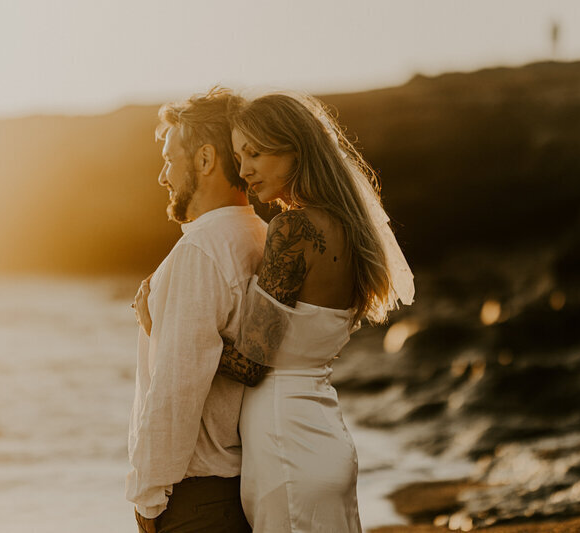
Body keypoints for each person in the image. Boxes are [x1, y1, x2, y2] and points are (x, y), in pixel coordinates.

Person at [216, 93, 415, 532]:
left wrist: (176, 332)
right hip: (325, 434)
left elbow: (250, 363)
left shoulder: (293, 228)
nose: (244, 169)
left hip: (283, 441)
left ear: (296, 149)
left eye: (256, 153)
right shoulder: (350, 229)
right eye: (237, 156)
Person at [126, 87, 267, 533]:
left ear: (205, 160)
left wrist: (148, 498)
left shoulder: (201, 250)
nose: (163, 177)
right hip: (236, 487)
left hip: (195, 499)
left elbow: (177, 388)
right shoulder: (260, 236)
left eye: (170, 160)